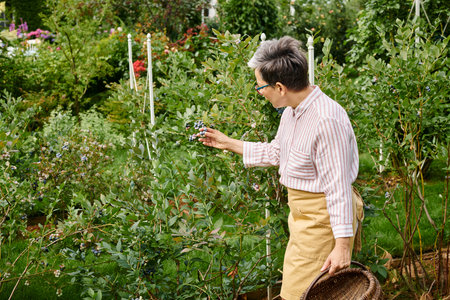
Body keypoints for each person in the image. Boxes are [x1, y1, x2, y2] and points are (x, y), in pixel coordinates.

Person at [198, 36, 362, 300]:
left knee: (300, 294)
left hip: (322, 221)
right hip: (302, 218)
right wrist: (228, 143)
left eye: (259, 86)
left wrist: (342, 246)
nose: (259, 92)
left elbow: (338, 187)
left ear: (280, 86)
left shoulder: (326, 120)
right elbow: (278, 151)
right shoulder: (292, 111)